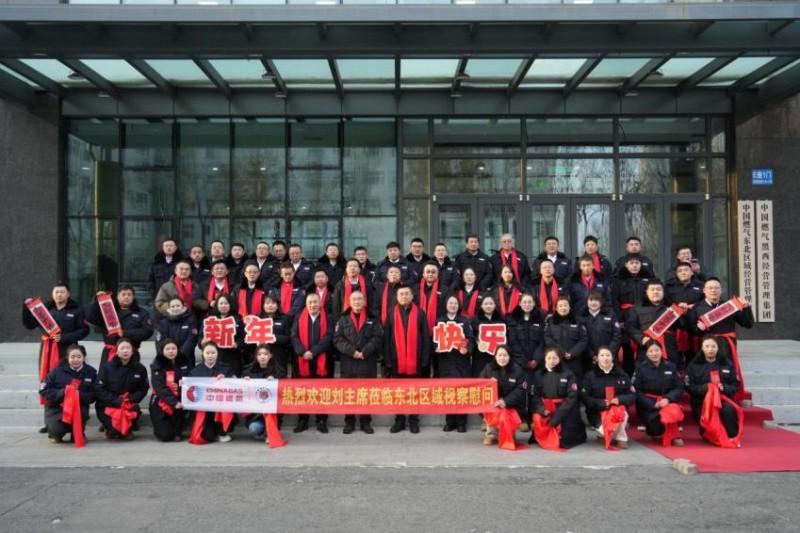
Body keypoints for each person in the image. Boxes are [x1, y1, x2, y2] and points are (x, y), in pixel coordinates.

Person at [22, 282, 89, 433]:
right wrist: (26, 308)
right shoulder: (44, 309)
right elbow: (29, 324)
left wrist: (65, 337)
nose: (59, 294)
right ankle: (50, 422)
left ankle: (69, 418)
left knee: (66, 382)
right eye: (56, 292)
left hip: (68, 351)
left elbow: (84, 330)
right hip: (47, 350)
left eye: (62, 292)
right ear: (53, 294)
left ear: (68, 294)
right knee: (48, 382)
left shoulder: (76, 309)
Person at [688, 278, 754, 403]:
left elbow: (748, 324)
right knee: (706, 370)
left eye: (716, 288)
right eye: (710, 288)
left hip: (726, 345)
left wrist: (746, 308)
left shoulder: (730, 306)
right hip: (706, 345)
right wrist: (698, 329)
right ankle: (708, 397)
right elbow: (690, 329)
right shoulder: (697, 308)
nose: (713, 290)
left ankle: (729, 396)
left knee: (727, 369)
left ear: (721, 290)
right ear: (704, 291)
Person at [334, 291, 383, 434]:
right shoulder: (342, 319)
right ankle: (349, 422)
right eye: (354, 299)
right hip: (348, 361)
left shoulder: (373, 318)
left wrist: (365, 352)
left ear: (364, 301)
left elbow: (378, 337)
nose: (357, 302)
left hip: (367, 361)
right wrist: (353, 352)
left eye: (360, 299)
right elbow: (337, 339)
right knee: (349, 393)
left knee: (366, 393)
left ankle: (365, 422)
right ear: (349, 302)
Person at [384, 285, 430, 434]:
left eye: (407, 294)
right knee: (399, 392)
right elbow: (387, 338)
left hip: (415, 361)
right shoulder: (391, 313)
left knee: (414, 392)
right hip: (396, 360)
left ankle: (413, 420)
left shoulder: (420, 313)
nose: (404, 296)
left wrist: (424, 360)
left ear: (412, 296)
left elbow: (425, 338)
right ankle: (399, 420)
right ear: (397, 297)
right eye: (401, 294)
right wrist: (387, 360)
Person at [686, 336, 743, 447]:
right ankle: (709, 433)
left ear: (717, 348)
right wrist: (706, 388)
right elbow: (689, 387)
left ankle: (733, 436)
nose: (710, 349)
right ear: (702, 348)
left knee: (728, 409)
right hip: (701, 401)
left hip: (723, 399)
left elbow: (735, 385)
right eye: (707, 346)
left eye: (713, 346)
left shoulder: (727, 364)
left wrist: (724, 388)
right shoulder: (693, 365)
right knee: (708, 431)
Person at [291, 292, 334, 434]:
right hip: (302, 359)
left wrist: (313, 352)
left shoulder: (328, 317)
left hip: (323, 360)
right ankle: (302, 420)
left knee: (322, 392)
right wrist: (303, 352)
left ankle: (321, 420)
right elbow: (294, 336)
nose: (312, 305)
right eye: (310, 302)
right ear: (306, 304)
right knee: (303, 391)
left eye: (315, 302)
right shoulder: (299, 316)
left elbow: (329, 337)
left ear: (320, 303)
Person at [529, 347, 585, 449]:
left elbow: (572, 397)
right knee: (538, 419)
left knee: (564, 436)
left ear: (559, 359)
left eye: (555, 358)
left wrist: (558, 415)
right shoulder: (538, 374)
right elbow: (535, 396)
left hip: (563, 409)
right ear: (545, 359)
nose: (552, 361)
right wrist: (542, 410)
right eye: (549, 358)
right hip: (545, 408)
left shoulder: (568, 374)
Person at [39, 344, 96, 444]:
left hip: (79, 406)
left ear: (84, 357)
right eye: (72, 357)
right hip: (57, 408)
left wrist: (78, 395)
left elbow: (94, 394)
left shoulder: (91, 372)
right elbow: (43, 390)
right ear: (67, 358)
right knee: (56, 429)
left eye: (79, 357)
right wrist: (62, 393)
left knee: (82, 413)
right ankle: (54, 434)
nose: (76, 360)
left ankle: (77, 433)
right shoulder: (56, 372)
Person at [580, 346, 635, 449]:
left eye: (608, 355)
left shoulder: (621, 374)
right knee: (606, 429)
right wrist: (601, 403)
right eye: (602, 355)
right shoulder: (590, 375)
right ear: (597, 358)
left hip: (618, 409)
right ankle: (611, 435)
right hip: (598, 411)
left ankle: (621, 439)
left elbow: (632, 395)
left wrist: (619, 400)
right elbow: (585, 397)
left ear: (612, 357)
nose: (605, 358)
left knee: (620, 413)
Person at [94, 338, 149, 440]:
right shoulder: (106, 368)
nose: (125, 351)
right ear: (117, 351)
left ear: (132, 351)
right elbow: (99, 388)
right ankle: (109, 428)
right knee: (114, 432)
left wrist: (133, 398)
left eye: (128, 348)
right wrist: (115, 400)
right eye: (122, 348)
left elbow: (144, 388)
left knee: (126, 429)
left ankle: (127, 429)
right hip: (109, 405)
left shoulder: (140, 368)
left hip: (128, 405)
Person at [632, 341, 685, 447]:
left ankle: (673, 435)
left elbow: (679, 387)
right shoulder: (641, 368)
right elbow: (636, 391)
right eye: (651, 351)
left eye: (656, 350)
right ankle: (657, 431)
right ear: (646, 353)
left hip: (667, 402)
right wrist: (652, 404)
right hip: (649, 405)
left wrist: (668, 398)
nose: (654, 353)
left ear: (662, 351)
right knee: (655, 430)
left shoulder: (671, 366)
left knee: (672, 411)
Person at [435, 294, 474, 432]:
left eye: (455, 303)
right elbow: (435, 340)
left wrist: (467, 349)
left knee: (462, 391)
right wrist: (437, 348)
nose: (453, 305)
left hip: (461, 361)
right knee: (448, 391)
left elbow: (470, 339)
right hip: (445, 361)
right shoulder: (440, 321)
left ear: (459, 306)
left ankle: (462, 422)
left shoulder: (464, 321)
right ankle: (450, 421)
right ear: (446, 305)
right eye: (450, 303)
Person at [86, 287, 152, 368]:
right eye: (123, 294)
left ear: (133, 297)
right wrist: (97, 301)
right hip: (110, 353)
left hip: (131, 353)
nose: (126, 297)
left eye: (129, 295)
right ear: (117, 296)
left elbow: (147, 331)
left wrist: (124, 333)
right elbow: (90, 318)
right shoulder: (108, 310)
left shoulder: (142, 313)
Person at [625, 279, 681, 371]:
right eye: (652, 289)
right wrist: (641, 338)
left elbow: (683, 325)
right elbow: (630, 326)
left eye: (658, 289)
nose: (655, 292)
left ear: (663, 292)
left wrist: (683, 312)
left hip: (668, 347)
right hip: (646, 346)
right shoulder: (637, 309)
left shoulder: (672, 308)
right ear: (646, 292)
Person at [187, 341, 235, 444]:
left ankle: (222, 432)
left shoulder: (226, 368)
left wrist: (226, 379)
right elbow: (189, 388)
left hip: (221, 405)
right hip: (204, 408)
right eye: (207, 353)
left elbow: (235, 385)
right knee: (208, 436)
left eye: (213, 353)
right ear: (202, 354)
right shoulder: (195, 371)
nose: (210, 356)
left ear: (217, 353)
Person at [479, 345, 526, 445]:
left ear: (509, 356)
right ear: (495, 356)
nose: (502, 358)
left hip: (511, 403)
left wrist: (505, 401)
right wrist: (488, 383)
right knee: (492, 407)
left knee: (508, 412)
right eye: (499, 355)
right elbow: (480, 384)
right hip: (494, 402)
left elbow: (520, 390)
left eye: (505, 355)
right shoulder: (488, 368)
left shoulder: (517, 370)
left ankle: (509, 433)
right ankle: (491, 434)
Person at [149, 339, 191, 442]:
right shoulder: (157, 365)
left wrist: (180, 386)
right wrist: (174, 402)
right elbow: (159, 388)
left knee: (176, 433)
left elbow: (188, 380)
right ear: (162, 351)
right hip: (161, 400)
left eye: (173, 348)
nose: (171, 351)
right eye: (167, 349)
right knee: (165, 436)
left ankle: (178, 430)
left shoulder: (184, 361)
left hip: (179, 397)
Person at [243, 345, 287, 441]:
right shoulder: (249, 371)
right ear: (256, 356)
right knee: (254, 428)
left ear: (270, 355)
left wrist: (275, 380)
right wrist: (245, 380)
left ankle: (270, 432)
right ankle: (263, 431)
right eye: (259, 354)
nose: (262, 357)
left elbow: (284, 388)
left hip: (272, 409)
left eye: (265, 354)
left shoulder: (278, 371)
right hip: (256, 412)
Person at [665, 261, 705, 366]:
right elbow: (665, 302)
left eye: (686, 270)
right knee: (675, 354)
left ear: (692, 272)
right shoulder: (669, 287)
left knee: (694, 354)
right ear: (676, 274)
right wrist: (677, 306)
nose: (683, 273)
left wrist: (694, 306)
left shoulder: (701, 285)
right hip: (676, 325)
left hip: (695, 324)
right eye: (680, 271)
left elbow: (706, 301)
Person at [197, 294, 244, 376]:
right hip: (213, 357)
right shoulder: (209, 320)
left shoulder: (237, 319)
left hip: (231, 356)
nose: (223, 306)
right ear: (217, 305)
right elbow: (200, 337)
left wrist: (237, 344)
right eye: (221, 303)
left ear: (230, 305)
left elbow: (243, 337)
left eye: (226, 303)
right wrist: (202, 342)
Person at [545, 296, 589, 380]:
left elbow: (583, 340)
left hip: (575, 360)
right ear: (556, 308)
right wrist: (562, 352)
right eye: (560, 306)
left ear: (569, 307)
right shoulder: (551, 322)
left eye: (565, 305)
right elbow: (548, 339)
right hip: (557, 360)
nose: (563, 308)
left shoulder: (578, 321)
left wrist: (572, 353)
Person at [154, 297, 198, 368]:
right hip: (167, 359)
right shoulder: (163, 323)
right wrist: (168, 353)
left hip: (186, 358)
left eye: (178, 306)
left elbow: (192, 339)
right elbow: (159, 342)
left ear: (183, 307)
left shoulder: (191, 321)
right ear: (169, 308)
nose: (175, 308)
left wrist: (179, 354)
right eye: (173, 306)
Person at [581, 291, 622, 366]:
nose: (593, 303)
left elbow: (617, 335)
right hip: (589, 359)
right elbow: (582, 339)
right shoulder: (582, 318)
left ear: (601, 302)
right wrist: (592, 355)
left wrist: (607, 353)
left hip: (609, 357)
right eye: (591, 300)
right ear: (586, 302)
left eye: (596, 300)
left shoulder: (610, 315)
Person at [471, 294, 507, 378]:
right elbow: (471, 336)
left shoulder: (501, 319)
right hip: (480, 356)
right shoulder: (475, 319)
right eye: (486, 304)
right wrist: (477, 341)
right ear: (481, 305)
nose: (488, 306)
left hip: (497, 356)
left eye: (491, 304)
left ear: (495, 305)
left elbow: (506, 337)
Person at [259, 292, 293, 377]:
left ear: (278, 305)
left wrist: (274, 338)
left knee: (280, 379)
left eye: (273, 303)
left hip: (279, 356)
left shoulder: (285, 318)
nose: (270, 305)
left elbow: (289, 338)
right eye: (267, 303)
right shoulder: (258, 319)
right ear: (263, 305)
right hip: (262, 358)